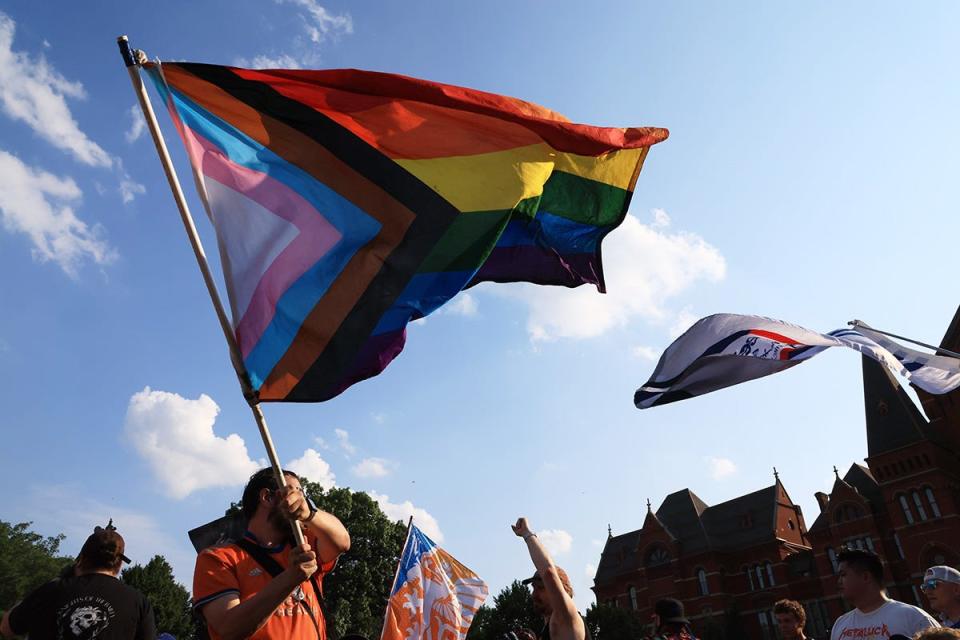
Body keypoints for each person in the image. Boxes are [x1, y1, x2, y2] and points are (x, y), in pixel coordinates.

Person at [193, 467, 351, 640]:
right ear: (267, 497)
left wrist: (311, 513)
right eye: (293, 491)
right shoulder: (218, 558)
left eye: (302, 494)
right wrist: (290, 579)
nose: (301, 499)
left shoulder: (303, 544)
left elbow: (342, 542)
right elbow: (229, 627)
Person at [0, 521, 156, 640]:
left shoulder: (51, 590)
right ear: (120, 563)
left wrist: (56, 581)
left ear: (82, 558)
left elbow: (6, 628)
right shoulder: (138, 602)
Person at [829, 548, 939, 640]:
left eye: (843, 575)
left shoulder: (913, 617)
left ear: (865, 577)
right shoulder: (840, 625)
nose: (838, 581)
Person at [513, 517, 586, 640]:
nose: (534, 594)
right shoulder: (552, 628)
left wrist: (527, 534)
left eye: (541, 588)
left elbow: (549, 573)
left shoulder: (566, 618)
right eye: (534, 588)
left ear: (561, 590)